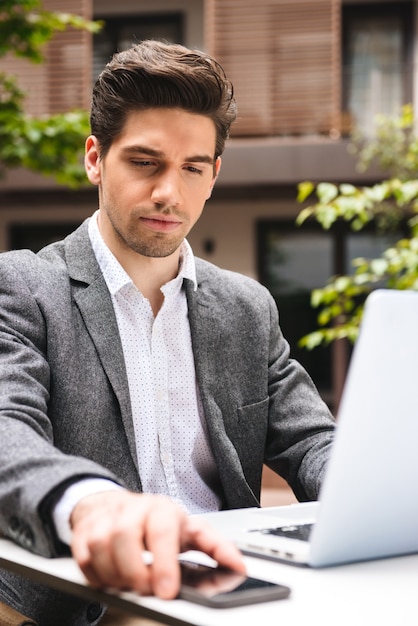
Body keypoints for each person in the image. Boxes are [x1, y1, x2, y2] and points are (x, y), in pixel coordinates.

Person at [0, 39, 336, 625]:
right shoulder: (22, 287)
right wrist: (91, 502)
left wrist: (376, 492)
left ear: (214, 175)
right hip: (85, 597)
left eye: (192, 168)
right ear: (95, 159)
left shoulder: (246, 308)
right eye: (144, 162)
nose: (168, 193)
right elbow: (7, 431)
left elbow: (311, 443)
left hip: (230, 582)